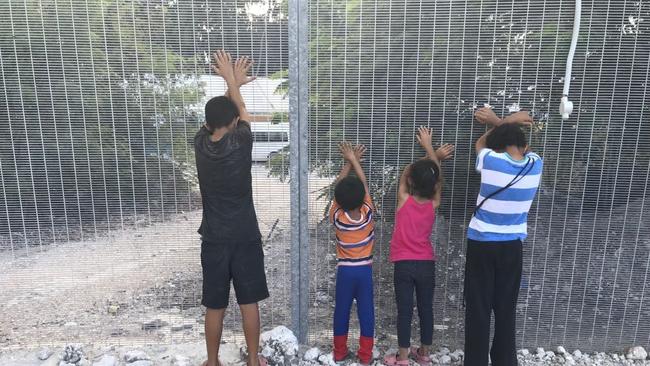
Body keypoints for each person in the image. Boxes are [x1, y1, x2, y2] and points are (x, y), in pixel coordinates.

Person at [195, 50, 267, 366]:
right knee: (249, 302)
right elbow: (238, 114)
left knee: (214, 305)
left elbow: (222, 115)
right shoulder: (241, 142)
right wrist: (232, 82)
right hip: (245, 236)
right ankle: (253, 361)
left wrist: (231, 85)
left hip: (213, 238)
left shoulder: (200, 142)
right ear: (235, 121)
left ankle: (212, 362)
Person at [464, 107, 543, 366]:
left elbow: (480, 142)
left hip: (482, 244)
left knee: (479, 309)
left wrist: (503, 121)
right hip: (512, 246)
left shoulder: (490, 160)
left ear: (497, 146)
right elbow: (517, 146)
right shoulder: (535, 165)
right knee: (506, 310)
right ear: (526, 145)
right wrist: (507, 123)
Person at [384, 127, 454, 366]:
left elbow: (406, 172)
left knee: (404, 310)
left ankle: (402, 358)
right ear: (434, 185)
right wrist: (431, 151)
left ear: (410, 181)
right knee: (426, 308)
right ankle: (424, 354)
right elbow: (438, 178)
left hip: (403, 264)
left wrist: (428, 151)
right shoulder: (434, 203)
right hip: (426, 263)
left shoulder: (403, 200)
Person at [330, 142, 375, 365]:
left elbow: (338, 188)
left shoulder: (337, 217)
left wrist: (347, 162)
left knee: (342, 311)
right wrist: (355, 160)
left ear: (338, 201)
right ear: (362, 200)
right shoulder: (368, 214)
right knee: (367, 312)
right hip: (364, 271)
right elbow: (364, 184)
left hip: (345, 272)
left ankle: (339, 352)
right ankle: (365, 356)